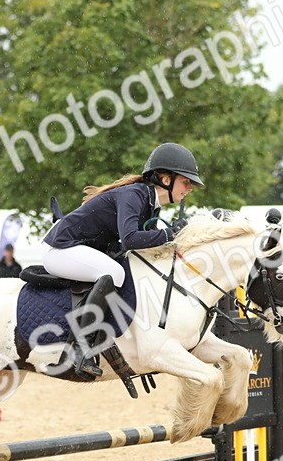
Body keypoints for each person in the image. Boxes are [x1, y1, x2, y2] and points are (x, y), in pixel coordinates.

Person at [41, 142, 202, 377]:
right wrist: (170, 233)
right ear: (166, 179)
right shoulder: (134, 195)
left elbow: (145, 247)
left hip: (76, 249)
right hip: (59, 249)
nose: (189, 188)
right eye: (186, 182)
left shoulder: (150, 204)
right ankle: (77, 350)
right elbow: (130, 240)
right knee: (114, 273)